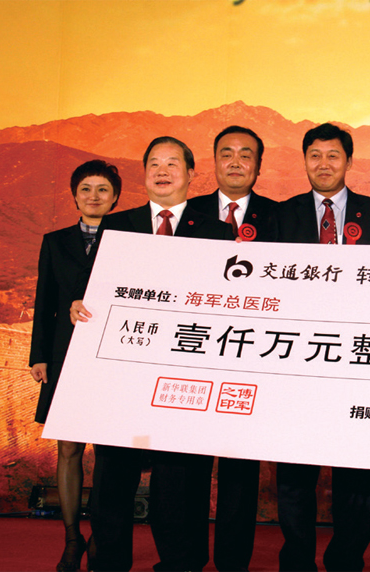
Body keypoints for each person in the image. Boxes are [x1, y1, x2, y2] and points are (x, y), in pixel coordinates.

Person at [71, 136, 232, 572]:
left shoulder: (217, 232)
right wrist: (77, 304)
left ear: (191, 173)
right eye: (154, 164)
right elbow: (88, 288)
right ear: (144, 174)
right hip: (122, 377)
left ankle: (181, 563)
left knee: (180, 484)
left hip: (184, 378)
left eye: (172, 163)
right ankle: (109, 563)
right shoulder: (116, 226)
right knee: (112, 479)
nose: (162, 171)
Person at [275, 122, 370, 572]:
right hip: (297, 358)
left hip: (360, 359)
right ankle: (297, 560)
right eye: (315, 155)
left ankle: (347, 560)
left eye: (333, 156)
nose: (323, 164)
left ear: (349, 161)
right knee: (295, 472)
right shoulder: (281, 216)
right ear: (304, 160)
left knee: (356, 472)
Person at [189, 125, 277, 571]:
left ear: (258, 165)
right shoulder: (189, 214)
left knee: (240, 471)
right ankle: (185, 558)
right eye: (227, 153)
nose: (236, 162)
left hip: (252, 357)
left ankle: (232, 562)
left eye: (246, 154)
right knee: (188, 467)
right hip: (194, 354)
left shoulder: (280, 217)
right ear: (214, 161)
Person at [29, 160, 122, 572]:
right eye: (86, 189)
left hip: (112, 355)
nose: (94, 196)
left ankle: (102, 536)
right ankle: (72, 538)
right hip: (63, 352)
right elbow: (44, 301)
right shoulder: (54, 241)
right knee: (68, 448)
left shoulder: (129, 239)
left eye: (103, 189)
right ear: (74, 196)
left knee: (107, 454)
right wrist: (38, 355)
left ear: (115, 197)